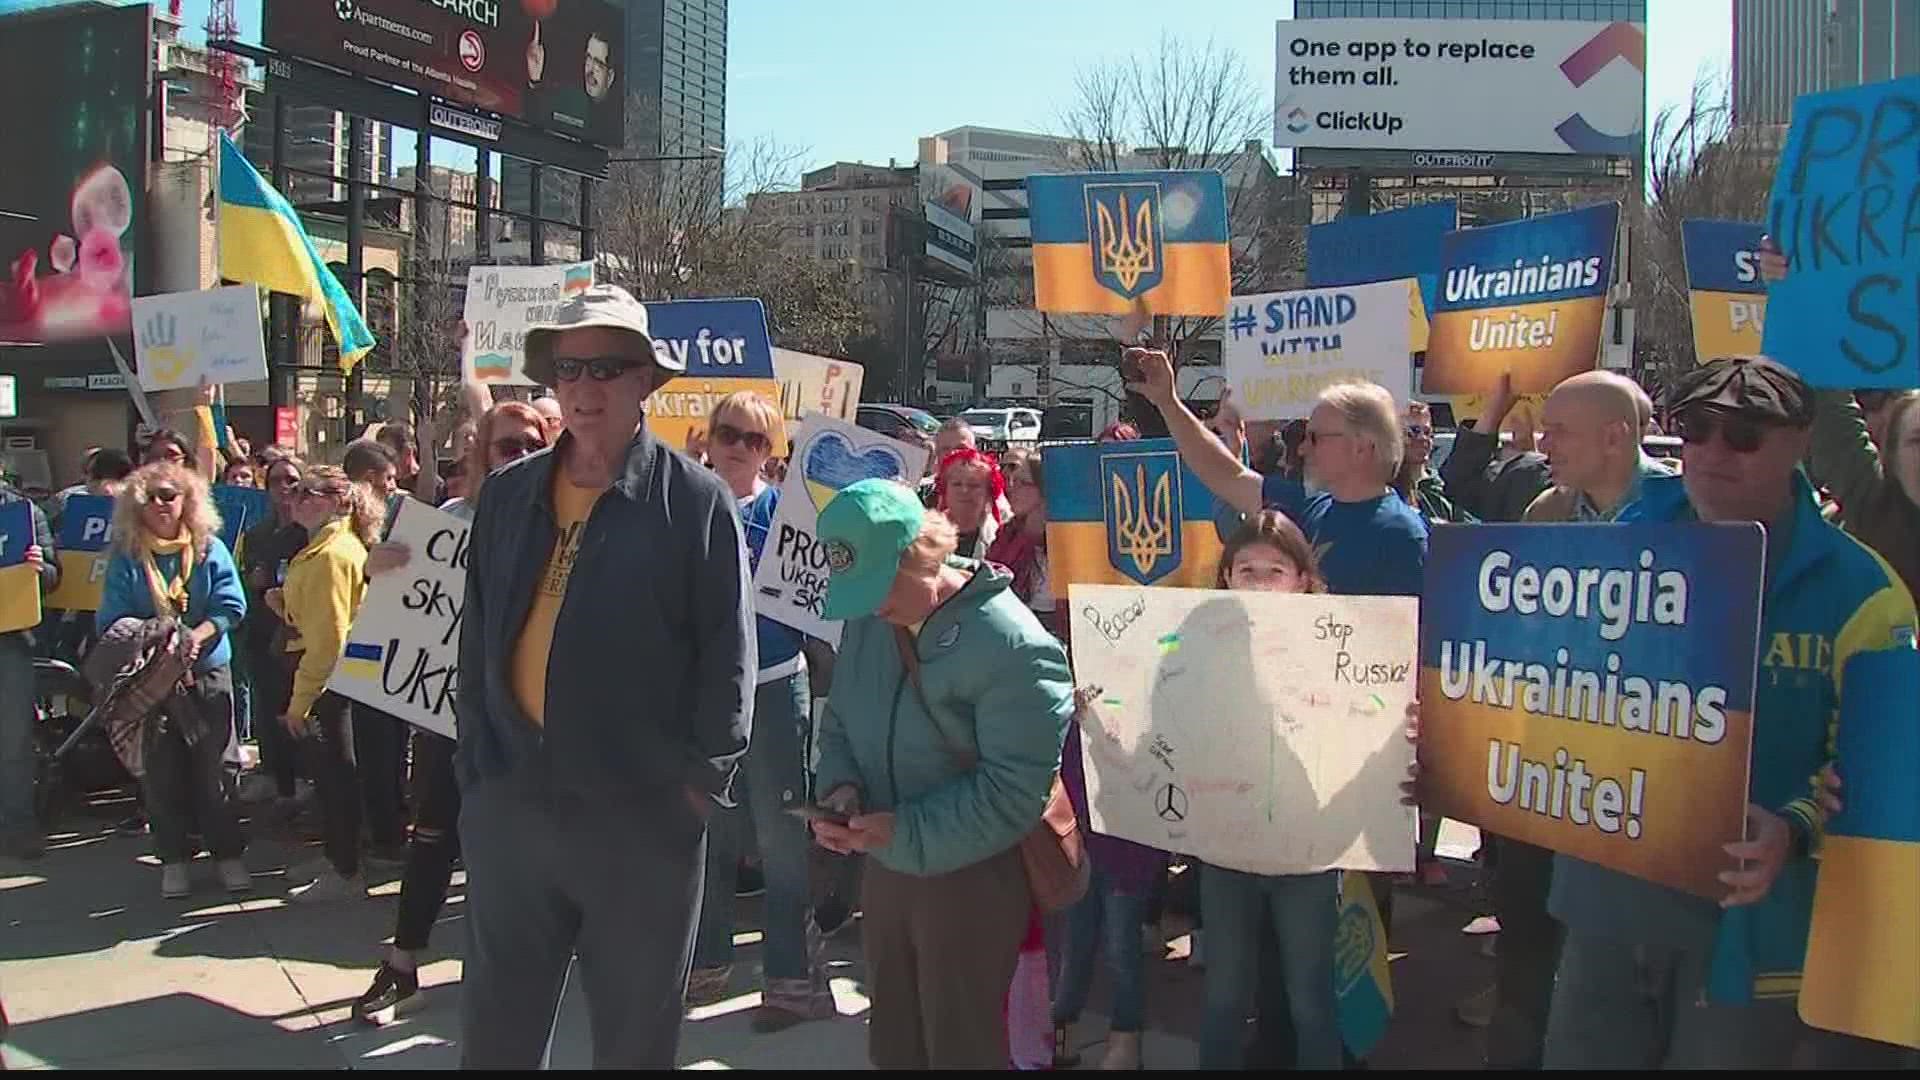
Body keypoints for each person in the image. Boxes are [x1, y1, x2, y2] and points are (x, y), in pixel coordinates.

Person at [1541, 356, 1920, 1068]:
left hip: (1751, 928)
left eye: (1744, 435)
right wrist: (1453, 732)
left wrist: (1796, 827)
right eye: (1696, 429)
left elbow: (1886, 774)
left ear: (1802, 442)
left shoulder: (1865, 594)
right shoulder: (1609, 552)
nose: (1713, 451)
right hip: (1606, 905)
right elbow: (1528, 686)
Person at [455, 284, 754, 1068]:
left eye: (609, 368)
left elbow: (731, 659)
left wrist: (698, 789)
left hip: (642, 819)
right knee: (497, 1037)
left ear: (645, 382)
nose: (586, 386)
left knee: (632, 1042)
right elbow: (476, 636)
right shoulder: (510, 496)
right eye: (570, 367)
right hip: (514, 807)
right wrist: (476, 774)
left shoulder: (695, 503)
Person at [808, 479, 1074, 1069]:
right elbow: (842, 724)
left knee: (961, 1047)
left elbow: (1013, 794)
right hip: (888, 869)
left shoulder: (1014, 646)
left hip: (973, 879)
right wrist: (841, 789)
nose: (874, 604)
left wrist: (901, 830)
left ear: (922, 553)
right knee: (895, 1042)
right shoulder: (871, 622)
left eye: (881, 585)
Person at [353, 402, 550, 1025]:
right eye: (506, 446)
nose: (517, 456)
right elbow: (395, 600)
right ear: (482, 454)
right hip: (450, 715)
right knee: (435, 837)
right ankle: (404, 963)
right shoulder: (448, 523)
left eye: (529, 445)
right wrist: (375, 566)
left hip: (531, 721)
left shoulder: (564, 525)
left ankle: (520, 968)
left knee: (527, 846)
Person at [684, 391, 836, 1029]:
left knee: (780, 839)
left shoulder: (786, 514)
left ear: (770, 451)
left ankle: (786, 976)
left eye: (754, 439)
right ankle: (707, 958)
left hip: (774, 685)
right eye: (729, 434)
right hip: (705, 694)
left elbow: (826, 586)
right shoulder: (684, 505)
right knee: (709, 833)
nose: (739, 448)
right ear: (709, 438)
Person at [97, 463, 249, 898]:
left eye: (169, 495)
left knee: (215, 768)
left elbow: (231, 605)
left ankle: (228, 855)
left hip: (206, 671)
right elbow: (112, 619)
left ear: (188, 500)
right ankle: (174, 858)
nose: (161, 505)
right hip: (153, 681)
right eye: (151, 497)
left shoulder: (209, 548)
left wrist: (199, 635)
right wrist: (157, 641)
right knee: (161, 773)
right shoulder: (126, 554)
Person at [273, 465, 384, 904]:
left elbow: (328, 642)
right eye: (295, 490)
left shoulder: (331, 554)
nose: (297, 497)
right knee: (331, 775)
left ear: (339, 501)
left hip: (328, 684)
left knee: (336, 776)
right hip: (332, 680)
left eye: (309, 492)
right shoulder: (323, 549)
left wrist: (301, 703)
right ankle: (339, 857)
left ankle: (345, 868)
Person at [235, 456, 308, 810]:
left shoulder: (309, 533)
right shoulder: (256, 535)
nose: (285, 488)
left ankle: (301, 782)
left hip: (300, 637)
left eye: (293, 480)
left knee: (297, 713)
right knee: (267, 710)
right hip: (263, 632)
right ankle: (277, 780)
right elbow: (246, 580)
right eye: (277, 481)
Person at [0, 479, 58, 861]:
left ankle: (18, 827)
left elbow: (56, 578)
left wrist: (41, 568)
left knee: (13, 743)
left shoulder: (23, 512)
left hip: (11, 640)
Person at [1439, 375, 1553, 524]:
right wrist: (1494, 412)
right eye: (1548, 431)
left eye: (1561, 431)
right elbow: (1460, 483)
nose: (1545, 444)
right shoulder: (1531, 480)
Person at [985, 452, 1057, 638]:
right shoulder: (1008, 534)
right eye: (1012, 481)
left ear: (1044, 488)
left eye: (1022, 483)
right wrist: (1026, 537)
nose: (1010, 488)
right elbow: (991, 581)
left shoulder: (1068, 537)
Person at [1393, 400, 1471, 525]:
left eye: (1428, 432)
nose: (1423, 438)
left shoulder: (1443, 485)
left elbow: (1471, 529)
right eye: (1414, 431)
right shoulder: (1384, 487)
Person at [932, 448, 1004, 559]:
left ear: (989, 494)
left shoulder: (1000, 540)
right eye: (957, 484)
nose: (964, 490)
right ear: (945, 489)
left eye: (973, 485)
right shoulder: (926, 532)